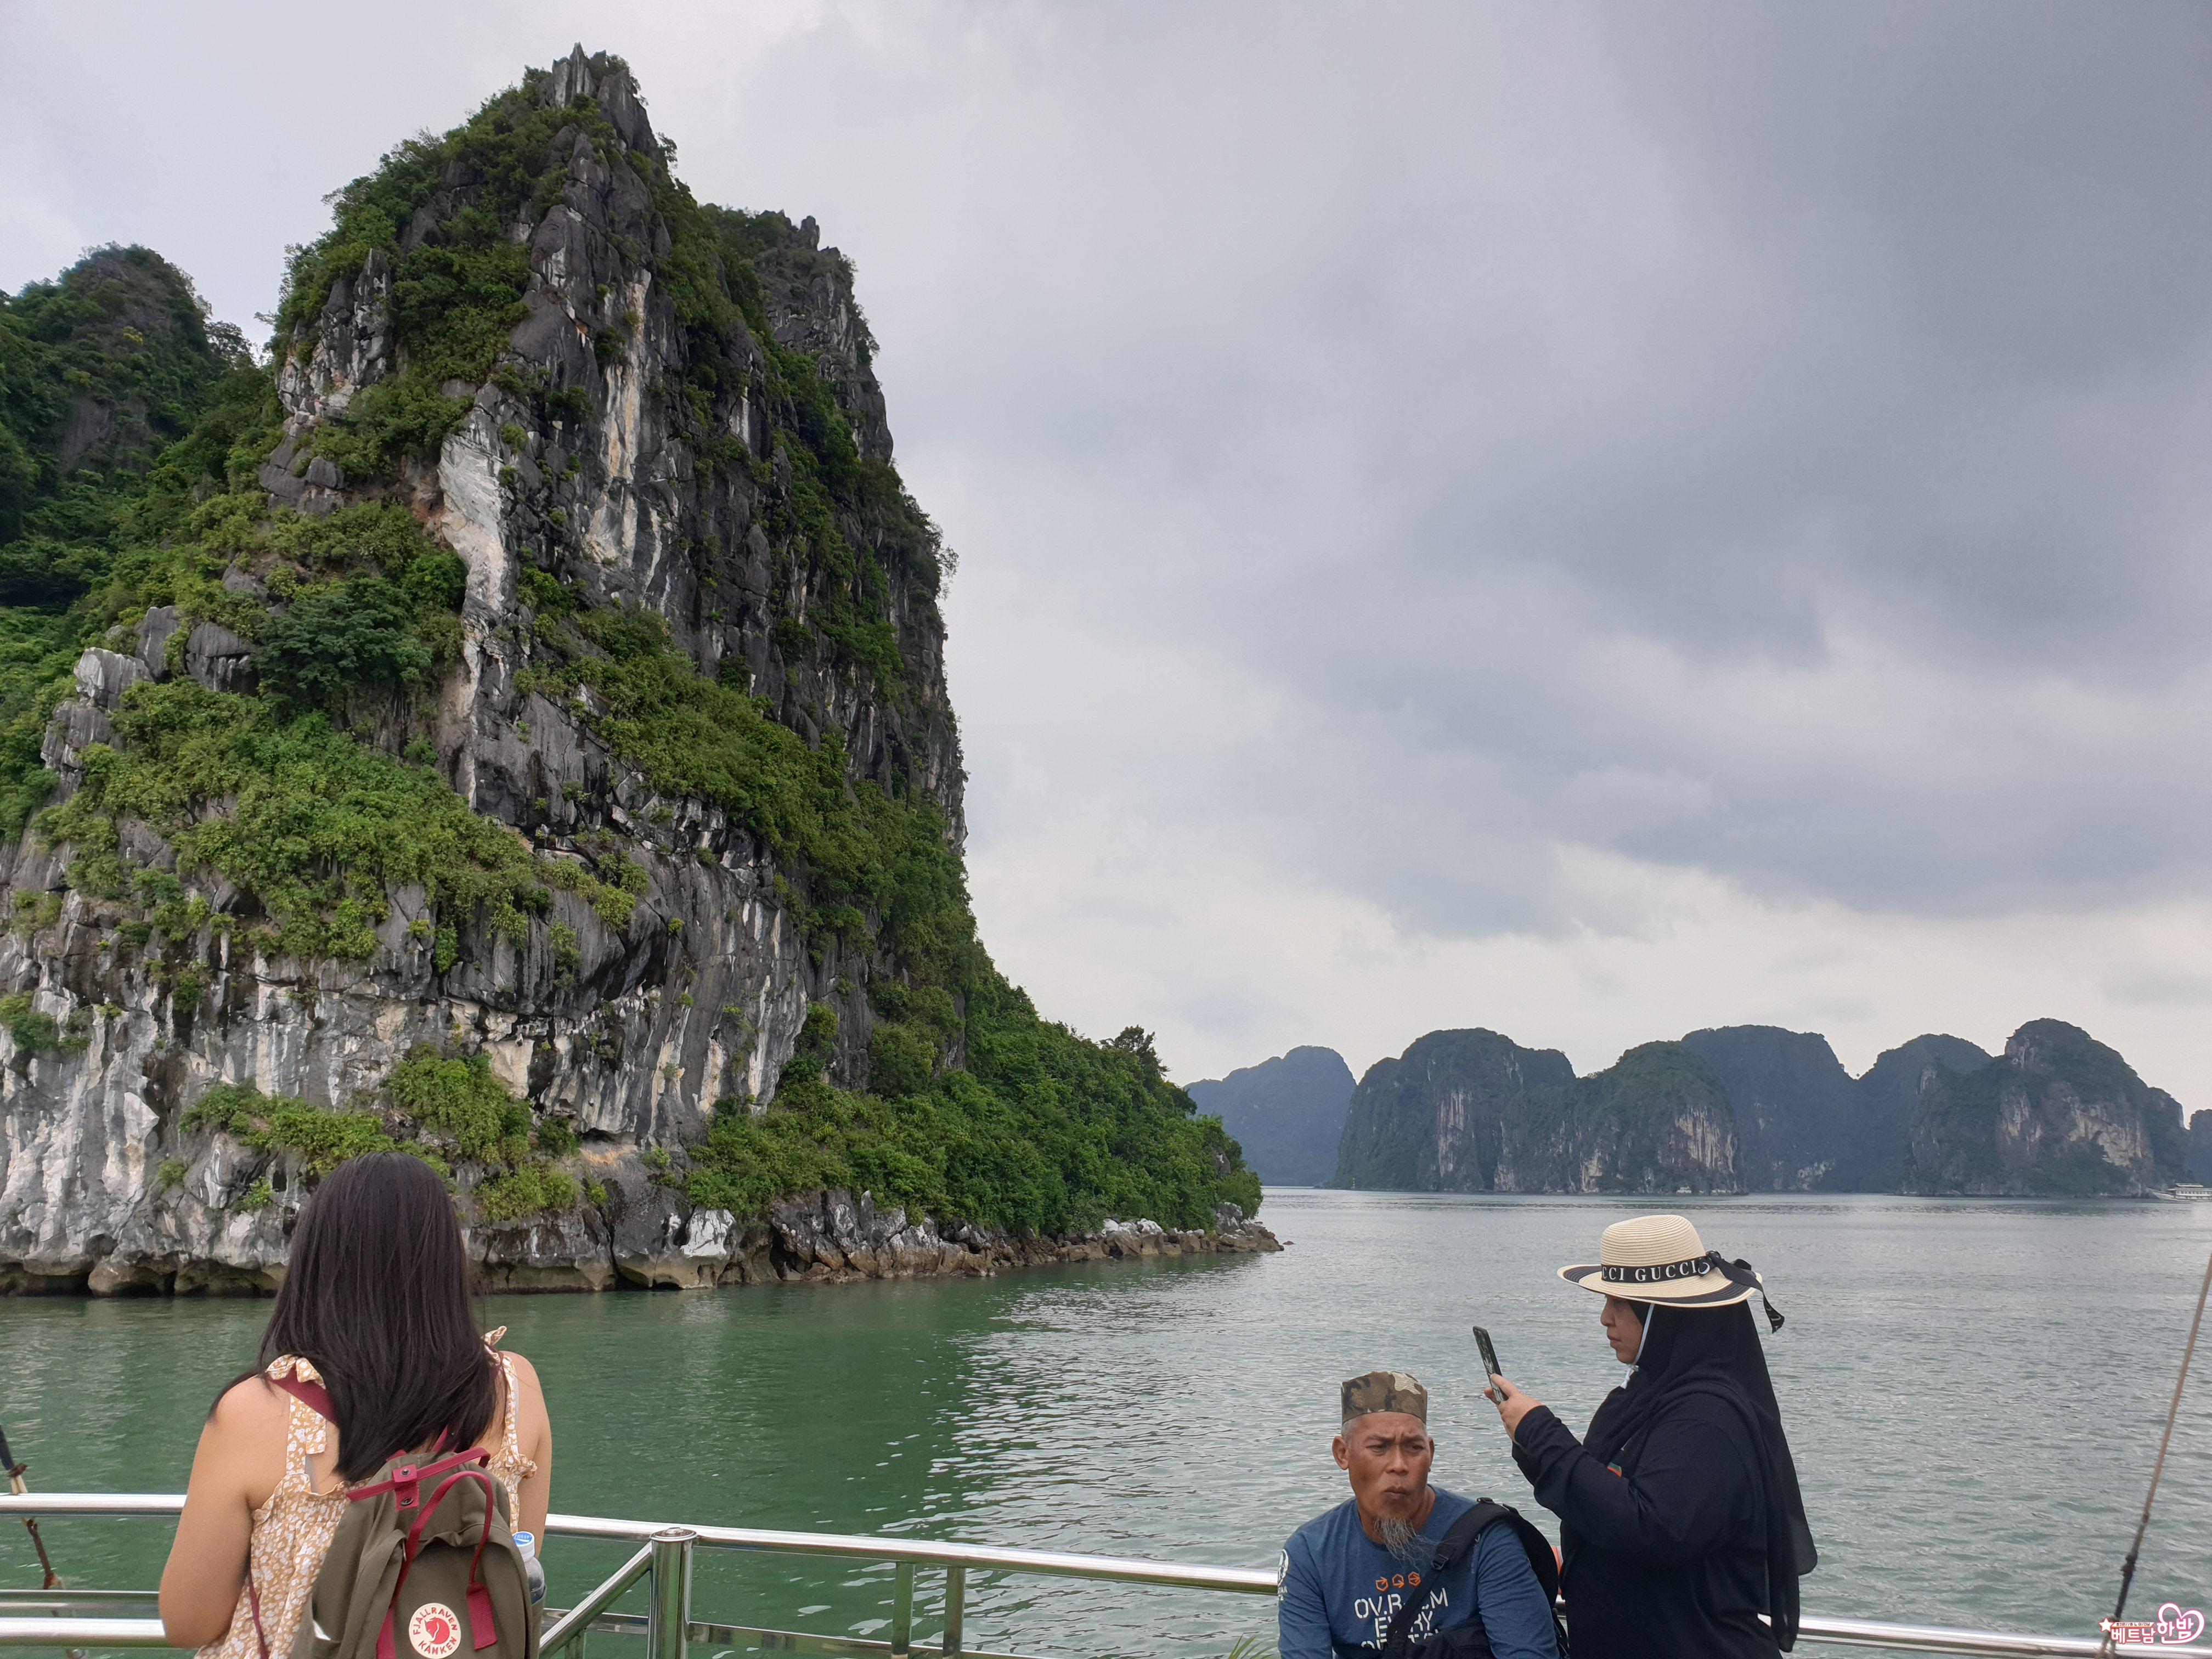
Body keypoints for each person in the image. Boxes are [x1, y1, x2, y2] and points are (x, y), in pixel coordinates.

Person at [159, 1153, 554, 1655]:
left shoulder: (255, 1413)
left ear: (316, 1263)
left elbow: (189, 1623)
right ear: (446, 1263)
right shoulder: (516, 1390)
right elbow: (519, 1557)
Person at [1485, 1214, 1816, 1658]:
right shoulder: (1650, 1397)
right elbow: (1601, 1498)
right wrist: (1530, 1441)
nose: (1605, 1318)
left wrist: (1542, 1434)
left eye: (1619, 1304)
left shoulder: (1709, 1418)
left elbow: (1653, 1529)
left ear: (1663, 1313)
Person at [1278, 1370, 1560, 1659]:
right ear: (1342, 1453)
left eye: (1414, 1448)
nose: (1399, 1465)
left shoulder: (1486, 1539)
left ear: (1431, 1454)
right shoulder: (1311, 1553)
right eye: (1379, 1448)